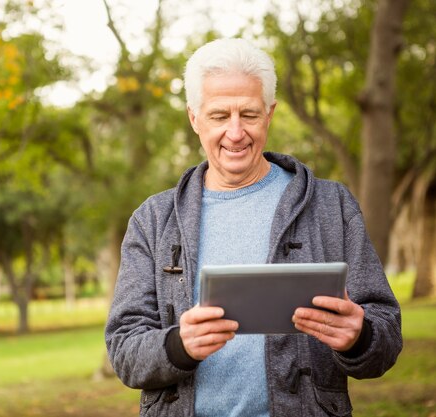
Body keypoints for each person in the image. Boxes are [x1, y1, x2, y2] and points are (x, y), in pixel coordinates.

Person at [104, 38, 402, 417]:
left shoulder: (331, 205)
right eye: (218, 116)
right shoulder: (152, 220)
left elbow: (387, 335)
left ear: (270, 114)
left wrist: (360, 338)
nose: (235, 132)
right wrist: (180, 345)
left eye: (248, 114)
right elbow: (125, 350)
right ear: (194, 118)